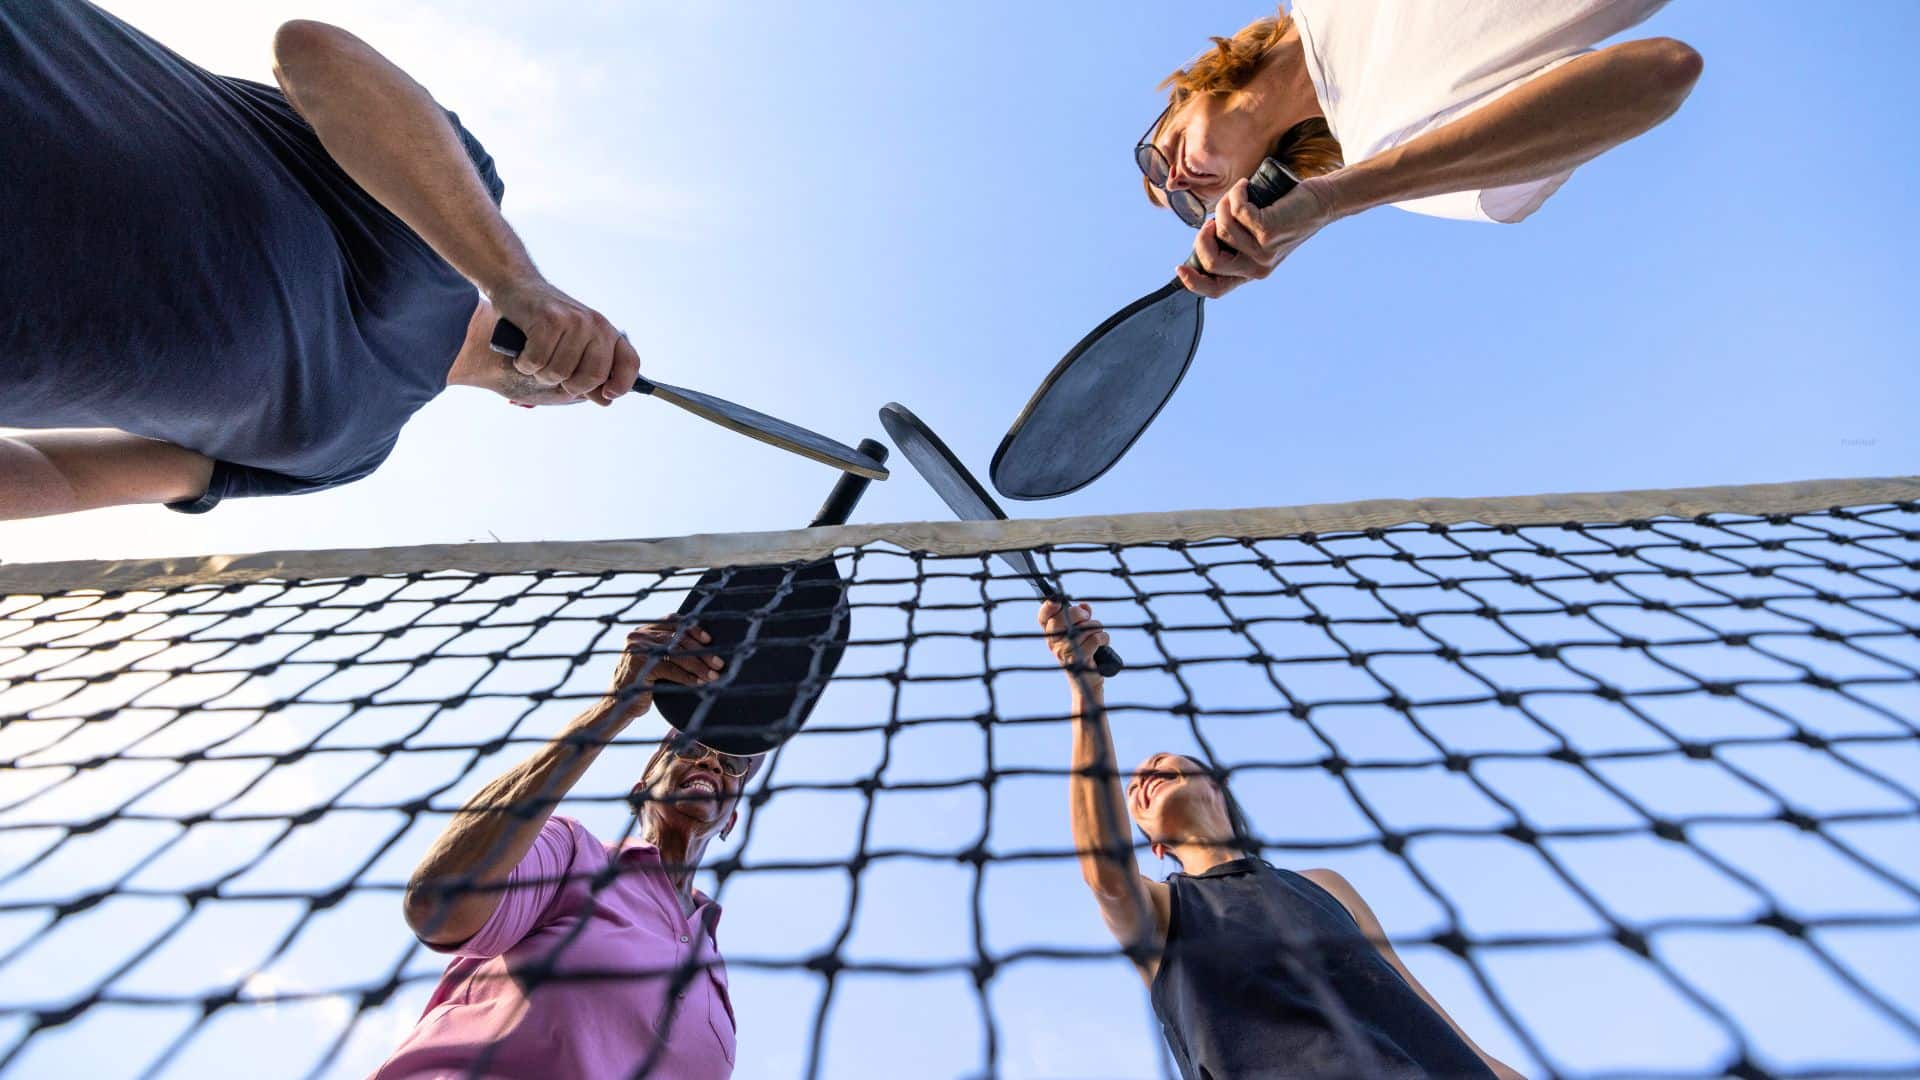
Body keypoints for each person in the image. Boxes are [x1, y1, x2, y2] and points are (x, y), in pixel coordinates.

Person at [1, 1, 639, 521]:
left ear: (526, 407)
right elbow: (311, 51)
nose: (592, 369)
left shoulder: (347, 457)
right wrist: (516, 280)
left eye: (597, 387)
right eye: (606, 345)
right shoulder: (457, 200)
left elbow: (67, 472)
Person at [1038, 600, 1525, 1079]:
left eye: (1162, 763)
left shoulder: (1326, 884)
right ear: (1155, 845)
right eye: (1133, 791)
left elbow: (1419, 1008)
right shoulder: (1163, 912)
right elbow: (1106, 876)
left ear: (1217, 786)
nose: (1143, 776)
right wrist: (1087, 690)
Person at [376, 618, 752, 1080]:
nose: (711, 761)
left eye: (733, 762)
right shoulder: (571, 852)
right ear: (641, 789)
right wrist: (615, 709)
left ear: (731, 819)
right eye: (689, 747)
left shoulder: (714, 973)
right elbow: (438, 905)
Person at [1139, 1, 1703, 299]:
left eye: (1157, 161)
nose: (1179, 183)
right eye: (1188, 206)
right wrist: (1334, 198)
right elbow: (1660, 73)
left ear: (1183, 98)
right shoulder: (1394, 159)